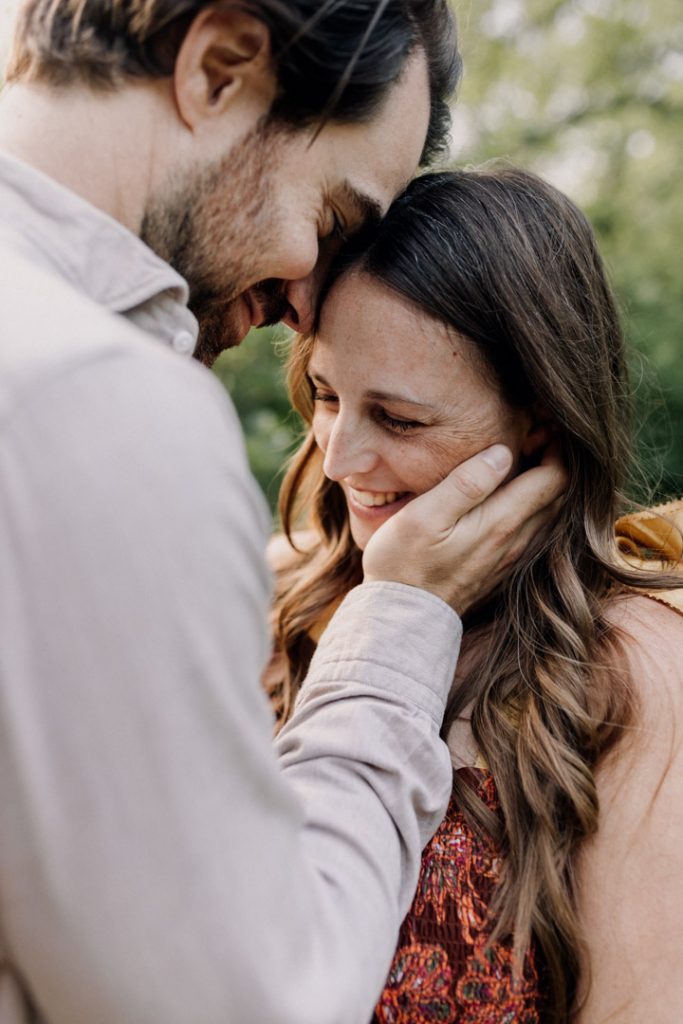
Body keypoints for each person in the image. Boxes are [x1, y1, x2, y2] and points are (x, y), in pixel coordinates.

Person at [0, 3, 568, 1023]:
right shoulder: (95, 399)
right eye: (335, 219)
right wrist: (399, 625)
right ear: (220, 68)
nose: (308, 304)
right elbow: (251, 1002)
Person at [266, 167, 683, 1023]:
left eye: (400, 419)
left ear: (539, 421)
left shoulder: (630, 670)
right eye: (327, 395)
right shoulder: (286, 602)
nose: (338, 458)